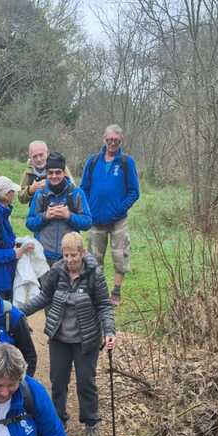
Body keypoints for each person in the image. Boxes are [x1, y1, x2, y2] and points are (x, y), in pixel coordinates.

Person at [23, 233, 115, 436]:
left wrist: (109, 332)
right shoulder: (57, 271)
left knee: (85, 382)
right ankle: (58, 419)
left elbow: (104, 305)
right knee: (58, 381)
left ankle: (91, 423)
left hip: (86, 339)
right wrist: (20, 311)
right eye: (66, 255)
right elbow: (44, 297)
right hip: (60, 338)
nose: (70, 260)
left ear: (82, 253)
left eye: (74, 255)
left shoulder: (94, 274)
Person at [80, 125, 140, 308]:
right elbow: (83, 188)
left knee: (120, 256)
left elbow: (134, 191)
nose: (112, 143)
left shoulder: (126, 162)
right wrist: (88, 208)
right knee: (94, 258)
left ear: (121, 140)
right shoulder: (92, 161)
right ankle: (99, 292)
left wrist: (120, 209)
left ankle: (116, 290)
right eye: (109, 139)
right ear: (104, 139)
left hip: (118, 219)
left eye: (116, 140)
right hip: (96, 219)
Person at [26, 152, 91, 266]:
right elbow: (29, 223)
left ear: (64, 172)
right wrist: (45, 216)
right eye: (50, 173)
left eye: (58, 172)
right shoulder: (40, 194)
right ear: (46, 173)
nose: (54, 176)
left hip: (68, 257)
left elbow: (87, 222)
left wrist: (69, 216)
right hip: (43, 256)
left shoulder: (76, 193)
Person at [18, 140, 73, 205]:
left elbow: (73, 188)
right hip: (36, 208)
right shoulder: (28, 172)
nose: (38, 159)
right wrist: (30, 190)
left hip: (59, 206)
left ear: (47, 153)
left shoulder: (59, 166)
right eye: (34, 156)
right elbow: (21, 198)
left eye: (41, 155)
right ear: (30, 157)